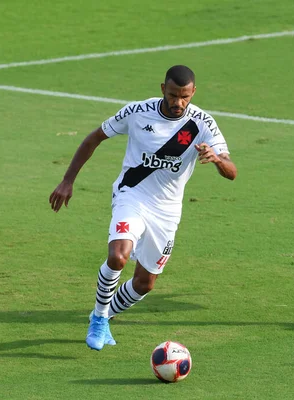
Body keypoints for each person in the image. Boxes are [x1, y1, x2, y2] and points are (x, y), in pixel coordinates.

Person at [49, 65, 237, 350]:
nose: (178, 103)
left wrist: (217, 159)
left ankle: (104, 314)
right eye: (173, 95)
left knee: (145, 284)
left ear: (193, 93)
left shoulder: (202, 124)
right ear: (163, 89)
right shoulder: (137, 111)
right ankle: (99, 319)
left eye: (185, 97)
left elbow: (232, 172)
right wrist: (67, 180)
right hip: (132, 195)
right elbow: (94, 138)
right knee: (118, 257)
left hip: (167, 211)